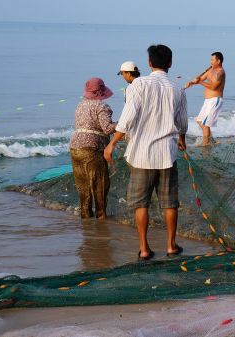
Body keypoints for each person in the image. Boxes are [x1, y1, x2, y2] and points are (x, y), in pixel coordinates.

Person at [104, 44, 188, 261]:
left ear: (149, 63)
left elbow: (128, 117)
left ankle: (144, 248)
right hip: (167, 155)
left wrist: (112, 143)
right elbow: (182, 123)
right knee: (170, 202)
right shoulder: (177, 89)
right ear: (170, 63)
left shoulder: (138, 84)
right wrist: (181, 140)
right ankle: (171, 245)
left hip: (141, 154)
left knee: (141, 203)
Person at [69, 78, 116, 220]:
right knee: (99, 186)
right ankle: (101, 219)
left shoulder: (80, 105)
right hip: (92, 148)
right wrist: (123, 125)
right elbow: (107, 128)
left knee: (83, 188)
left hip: (75, 147)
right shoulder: (101, 106)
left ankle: (86, 220)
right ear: (100, 91)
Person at [185, 52, 226, 146]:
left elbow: (213, 87)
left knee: (205, 125)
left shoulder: (220, 72)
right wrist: (191, 83)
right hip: (208, 101)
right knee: (199, 121)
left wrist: (199, 82)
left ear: (218, 61)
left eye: (212, 60)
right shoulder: (211, 70)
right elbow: (201, 78)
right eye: (210, 59)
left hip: (215, 100)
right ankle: (211, 140)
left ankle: (206, 147)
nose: (210, 61)